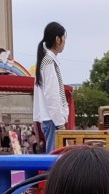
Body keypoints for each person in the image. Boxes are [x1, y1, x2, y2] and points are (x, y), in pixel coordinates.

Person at [33, 21, 68, 156]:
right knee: (55, 159)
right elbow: (52, 95)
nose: (64, 42)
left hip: (50, 119)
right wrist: (60, 123)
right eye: (64, 38)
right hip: (53, 120)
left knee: (55, 158)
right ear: (58, 39)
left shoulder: (46, 60)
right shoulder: (48, 62)